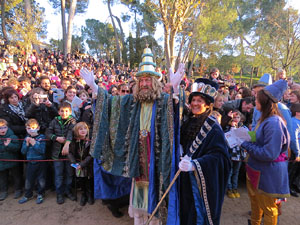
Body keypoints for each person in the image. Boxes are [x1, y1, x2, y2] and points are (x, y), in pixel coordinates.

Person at [80, 47, 185, 225]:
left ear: (156, 83)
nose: (144, 84)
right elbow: (109, 103)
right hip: (138, 154)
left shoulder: (164, 100)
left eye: (148, 80)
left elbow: (178, 112)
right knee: (139, 184)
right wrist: (94, 86)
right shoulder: (130, 101)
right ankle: (140, 219)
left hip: (156, 154)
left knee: (156, 183)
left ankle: (155, 218)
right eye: (142, 80)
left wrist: (174, 88)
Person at [178, 78, 231, 225]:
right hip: (185, 180)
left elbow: (220, 157)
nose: (195, 103)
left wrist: (195, 164)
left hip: (200, 183)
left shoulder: (213, 127)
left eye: (199, 100)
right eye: (193, 100)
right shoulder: (189, 121)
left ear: (208, 104)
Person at [240, 79, 290, 225]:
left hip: (267, 174)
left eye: (257, 98)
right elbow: (259, 138)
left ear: (265, 102)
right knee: (256, 204)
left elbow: (269, 154)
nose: (254, 101)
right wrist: (245, 135)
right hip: (256, 170)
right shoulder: (265, 118)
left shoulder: (274, 123)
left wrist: (245, 145)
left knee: (269, 209)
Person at [46, 102, 77, 204]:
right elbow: (48, 133)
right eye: (62, 111)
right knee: (58, 175)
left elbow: (71, 132)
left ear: (70, 112)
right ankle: (60, 193)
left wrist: (67, 143)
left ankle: (68, 191)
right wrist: (56, 138)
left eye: (66, 111)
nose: (64, 113)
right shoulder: (54, 121)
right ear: (58, 112)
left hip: (69, 153)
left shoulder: (72, 120)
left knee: (69, 173)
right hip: (56, 153)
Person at [19, 119, 46, 204]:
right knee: (29, 179)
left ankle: (40, 194)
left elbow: (42, 151)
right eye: (28, 128)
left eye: (33, 127)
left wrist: (34, 143)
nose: (31, 130)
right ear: (26, 129)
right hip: (30, 162)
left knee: (41, 180)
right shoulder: (26, 138)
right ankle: (28, 194)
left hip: (40, 162)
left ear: (38, 128)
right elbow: (23, 151)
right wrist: (27, 144)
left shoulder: (42, 137)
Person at [68, 122, 94, 206]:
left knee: (89, 179)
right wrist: (74, 163)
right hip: (78, 163)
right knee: (81, 180)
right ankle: (84, 195)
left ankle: (90, 195)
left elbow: (91, 155)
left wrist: (82, 164)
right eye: (80, 129)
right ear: (76, 131)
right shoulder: (74, 141)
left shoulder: (90, 140)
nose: (83, 131)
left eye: (85, 129)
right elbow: (70, 153)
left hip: (88, 164)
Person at [223, 110, 247, 199]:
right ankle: (229, 188)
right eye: (234, 118)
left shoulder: (243, 127)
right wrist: (232, 128)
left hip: (239, 154)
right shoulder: (227, 127)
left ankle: (235, 188)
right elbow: (226, 138)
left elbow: (247, 138)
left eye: (237, 117)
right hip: (231, 153)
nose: (236, 119)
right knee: (230, 171)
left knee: (236, 172)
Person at [0, 119, 21, 201]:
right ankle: (3, 191)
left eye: (4, 127)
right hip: (1, 162)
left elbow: (17, 148)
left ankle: (18, 189)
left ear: (7, 128)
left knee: (16, 176)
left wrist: (9, 145)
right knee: (2, 178)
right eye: (0, 128)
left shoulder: (13, 137)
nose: (2, 130)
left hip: (12, 161)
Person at [288, 103, 300, 197]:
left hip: (297, 150)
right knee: (291, 170)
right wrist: (297, 153)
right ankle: (288, 188)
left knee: (295, 170)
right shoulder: (294, 122)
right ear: (297, 113)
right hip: (294, 151)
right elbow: (293, 139)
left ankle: (293, 185)